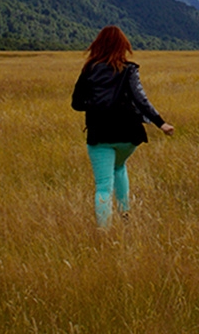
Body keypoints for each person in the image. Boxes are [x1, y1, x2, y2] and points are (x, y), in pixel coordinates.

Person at [71, 25, 174, 227]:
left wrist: (94, 105)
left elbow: (76, 103)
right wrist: (160, 123)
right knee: (119, 166)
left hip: (99, 135)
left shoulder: (88, 70)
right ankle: (125, 216)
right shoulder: (129, 70)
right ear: (123, 46)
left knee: (103, 186)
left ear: (97, 45)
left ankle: (105, 233)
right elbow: (141, 100)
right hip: (129, 134)